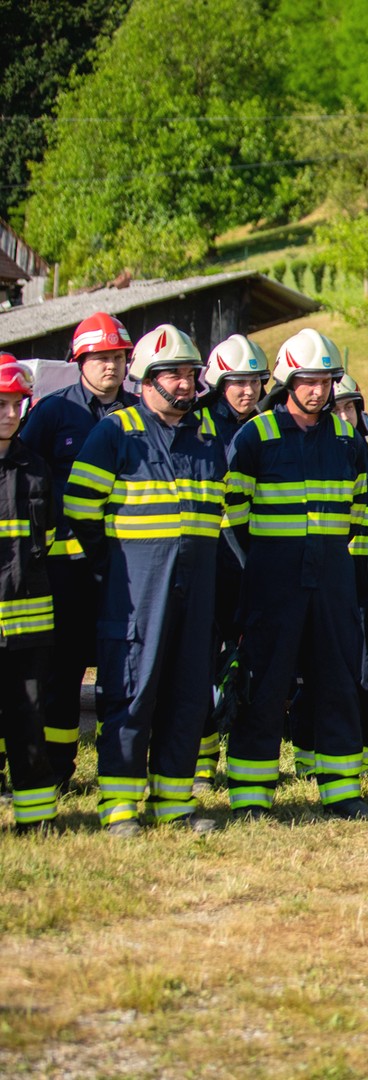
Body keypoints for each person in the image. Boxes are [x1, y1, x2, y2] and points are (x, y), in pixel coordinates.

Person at [63, 325, 228, 835]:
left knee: (186, 693)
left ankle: (173, 802)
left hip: (194, 590)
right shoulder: (115, 432)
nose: (185, 383)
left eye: (190, 374)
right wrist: (111, 573)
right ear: (145, 380)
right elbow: (78, 513)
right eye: (173, 374)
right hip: (135, 592)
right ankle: (118, 807)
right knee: (132, 693)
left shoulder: (206, 437)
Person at [222, 328, 368, 821]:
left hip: (332, 580)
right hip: (273, 581)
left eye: (326, 381)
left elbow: (360, 513)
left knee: (337, 683)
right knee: (264, 685)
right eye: (308, 381)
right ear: (288, 381)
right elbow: (233, 517)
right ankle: (250, 795)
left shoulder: (349, 438)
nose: (318, 390)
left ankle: (341, 792)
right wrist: (264, 564)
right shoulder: (256, 436)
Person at [19, 311, 136, 787]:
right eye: (101, 357)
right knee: (62, 674)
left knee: (120, 671)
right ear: (79, 360)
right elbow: (26, 478)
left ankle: (120, 767)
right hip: (65, 571)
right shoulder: (52, 412)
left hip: (125, 567)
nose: (111, 366)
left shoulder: (139, 413)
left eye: (118, 357)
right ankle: (57, 771)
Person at [194, 334, 271, 791]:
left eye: (255, 382)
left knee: (245, 667)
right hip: (209, 566)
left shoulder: (264, 428)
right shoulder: (199, 424)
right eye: (238, 382)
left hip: (252, 566)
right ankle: (200, 765)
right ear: (218, 382)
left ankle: (240, 758)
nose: (248, 391)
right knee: (198, 667)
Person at [0, 357, 60, 833]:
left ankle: (37, 819)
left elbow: (53, 540)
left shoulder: (36, 470)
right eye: (0, 404)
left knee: (27, 727)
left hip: (30, 628)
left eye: (15, 404)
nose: (7, 413)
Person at [329, 373, 368, 777]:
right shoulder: (316, 454)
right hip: (330, 577)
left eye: (349, 406)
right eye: (335, 407)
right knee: (329, 668)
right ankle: (316, 755)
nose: (342, 414)